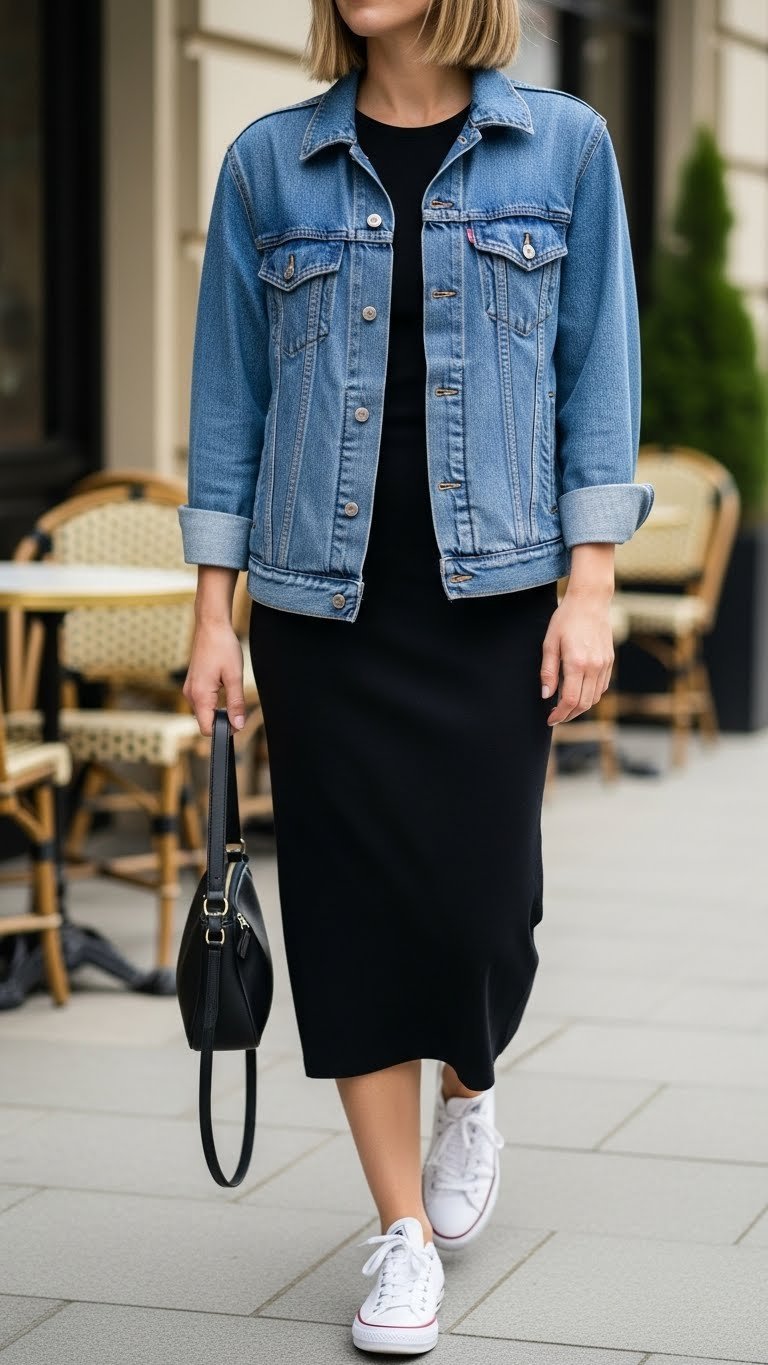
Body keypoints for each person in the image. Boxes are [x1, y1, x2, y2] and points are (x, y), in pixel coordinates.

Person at [178, 0, 654, 1354]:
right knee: (348, 919)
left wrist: (594, 583)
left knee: (484, 912)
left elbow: (595, 378)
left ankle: (473, 1079)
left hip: (490, 600)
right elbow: (230, 399)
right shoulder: (271, 165)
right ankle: (398, 1233)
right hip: (321, 612)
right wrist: (215, 616)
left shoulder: (564, 150)